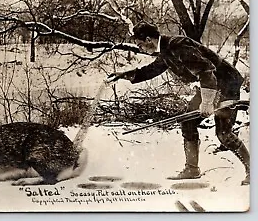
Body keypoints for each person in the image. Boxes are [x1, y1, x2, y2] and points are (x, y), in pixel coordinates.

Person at [107, 21, 249, 186]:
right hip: (209, 84)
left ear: (148, 40)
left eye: (140, 45)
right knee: (187, 121)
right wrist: (124, 75)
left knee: (223, 133)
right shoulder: (165, 50)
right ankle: (192, 169)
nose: (140, 49)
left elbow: (206, 71)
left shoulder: (178, 46)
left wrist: (208, 102)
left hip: (225, 83)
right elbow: (151, 70)